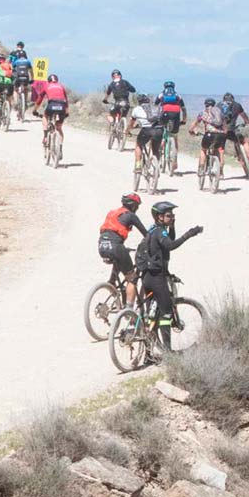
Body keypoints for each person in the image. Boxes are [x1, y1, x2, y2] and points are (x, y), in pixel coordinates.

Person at [136, 202, 203, 351]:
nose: (172, 217)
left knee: (152, 316)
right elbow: (171, 245)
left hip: (147, 277)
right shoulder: (160, 232)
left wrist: (172, 226)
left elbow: (167, 242)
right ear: (160, 217)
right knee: (166, 314)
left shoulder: (153, 230)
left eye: (173, 215)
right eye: (169, 215)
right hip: (156, 278)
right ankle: (168, 352)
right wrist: (189, 234)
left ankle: (148, 352)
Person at [98, 192, 148, 306]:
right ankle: (129, 311)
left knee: (119, 259)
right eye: (137, 206)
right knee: (132, 279)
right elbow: (146, 234)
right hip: (116, 246)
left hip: (102, 245)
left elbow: (109, 231)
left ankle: (112, 283)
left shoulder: (112, 213)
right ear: (133, 205)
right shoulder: (130, 215)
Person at [188, 97, 227, 181]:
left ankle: (201, 169)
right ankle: (220, 172)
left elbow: (194, 124)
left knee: (203, 149)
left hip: (209, 135)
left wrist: (191, 131)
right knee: (217, 150)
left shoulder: (203, 113)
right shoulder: (220, 113)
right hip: (220, 135)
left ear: (205, 105)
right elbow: (225, 128)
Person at [128, 94, 165, 172]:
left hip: (146, 130)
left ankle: (138, 166)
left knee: (138, 145)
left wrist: (128, 130)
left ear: (139, 101)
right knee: (155, 150)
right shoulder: (156, 107)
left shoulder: (136, 109)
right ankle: (156, 167)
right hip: (159, 130)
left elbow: (132, 122)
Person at [221, 93, 249, 172]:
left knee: (221, 149)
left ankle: (220, 171)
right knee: (244, 142)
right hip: (232, 130)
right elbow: (244, 116)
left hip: (221, 131)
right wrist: (247, 122)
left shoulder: (219, 105)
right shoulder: (237, 105)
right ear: (233, 99)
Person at [156, 81, 186, 173]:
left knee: (162, 132)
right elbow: (184, 109)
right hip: (176, 115)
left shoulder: (161, 94)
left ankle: (161, 146)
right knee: (174, 136)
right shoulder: (178, 95)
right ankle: (175, 160)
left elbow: (156, 104)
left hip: (164, 114)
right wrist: (184, 120)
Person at [32, 73, 69, 147]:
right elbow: (66, 100)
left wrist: (34, 110)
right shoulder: (61, 86)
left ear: (48, 81)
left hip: (51, 105)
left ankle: (45, 137)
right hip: (62, 106)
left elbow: (39, 100)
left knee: (45, 117)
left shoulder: (47, 86)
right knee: (59, 128)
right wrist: (67, 112)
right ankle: (60, 148)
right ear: (57, 80)